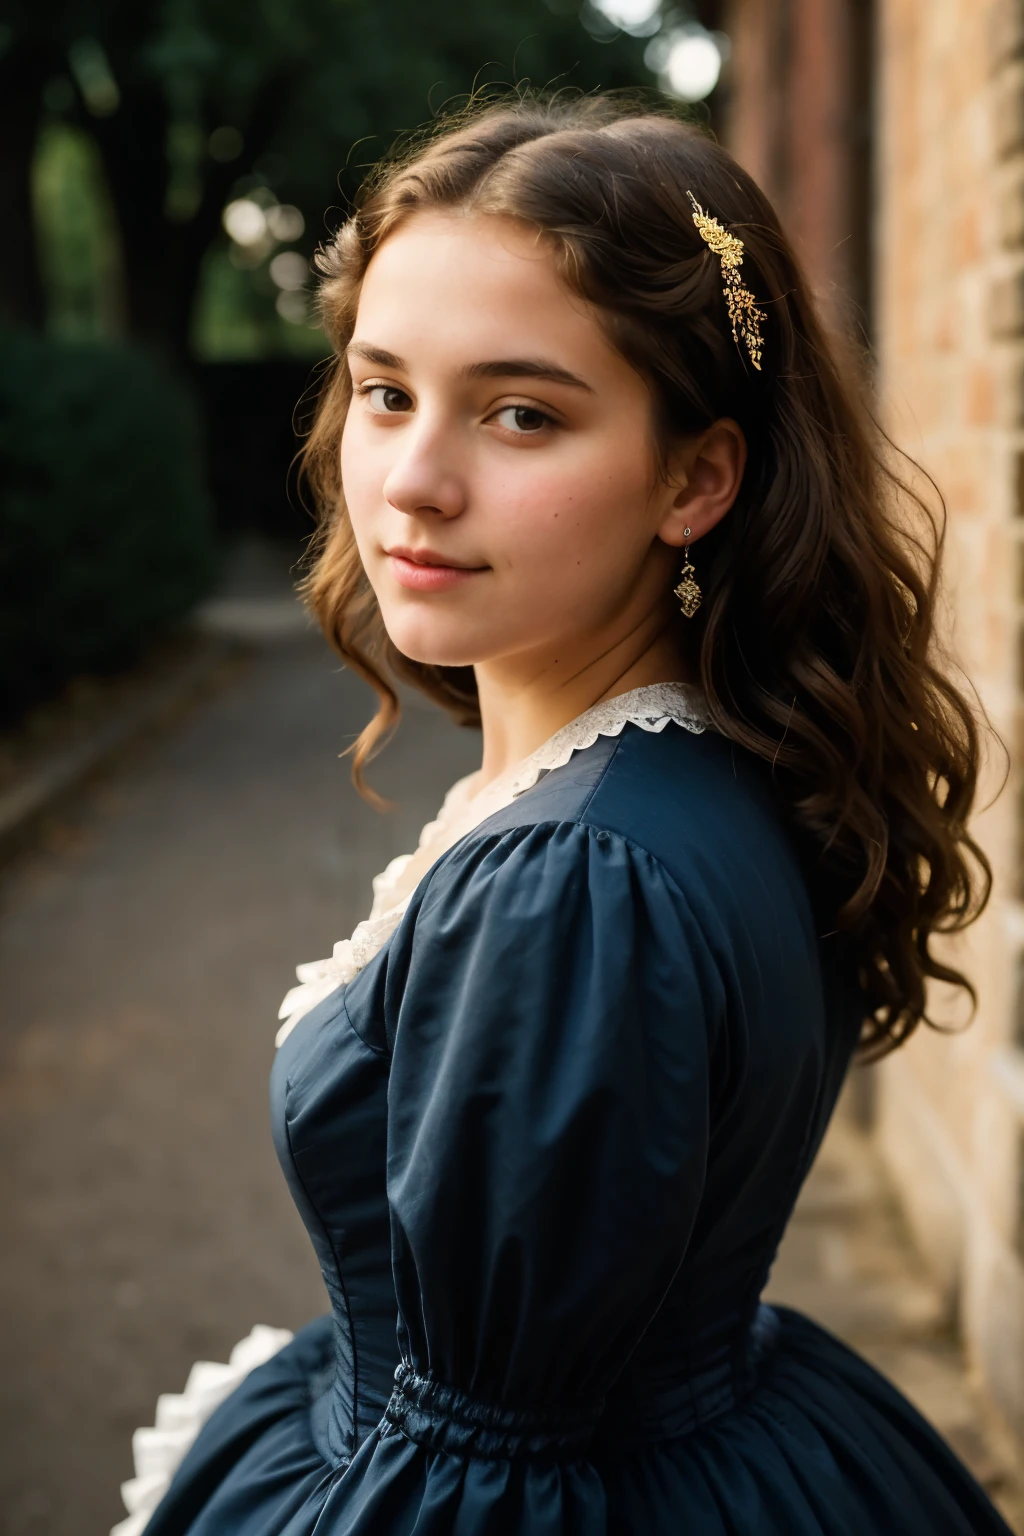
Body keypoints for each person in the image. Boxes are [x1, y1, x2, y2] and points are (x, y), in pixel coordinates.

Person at [112, 94, 1011, 1535]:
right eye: (386, 390)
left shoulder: (575, 879)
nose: (412, 479)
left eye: (522, 412)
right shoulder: (710, 758)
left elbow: (484, 1468)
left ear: (695, 475)